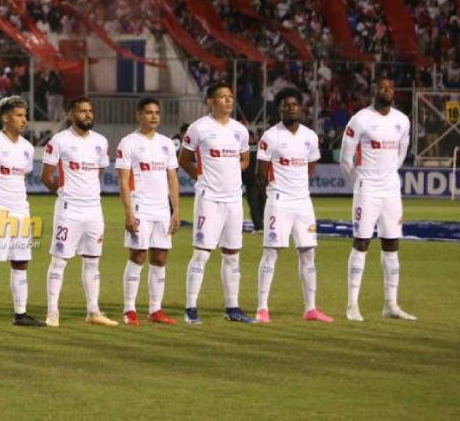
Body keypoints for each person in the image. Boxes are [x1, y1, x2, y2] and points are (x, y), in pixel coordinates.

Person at [178, 81, 255, 324]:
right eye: (222, 97)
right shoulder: (199, 128)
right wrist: (202, 177)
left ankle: (232, 307)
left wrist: (232, 172)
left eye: (230, 96)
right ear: (210, 101)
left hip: (233, 199)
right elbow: (184, 159)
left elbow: (244, 160)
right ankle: (190, 308)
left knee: (232, 254)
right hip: (209, 199)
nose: (228, 100)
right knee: (202, 253)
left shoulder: (240, 130)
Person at [340, 76, 416, 321]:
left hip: (391, 190)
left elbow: (402, 152)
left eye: (391, 86)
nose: (387, 90)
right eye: (382, 87)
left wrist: (388, 175)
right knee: (361, 243)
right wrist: (360, 184)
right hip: (367, 189)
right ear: (373, 91)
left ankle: (390, 304)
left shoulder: (402, 120)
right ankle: (352, 305)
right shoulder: (360, 119)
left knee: (391, 244)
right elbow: (345, 159)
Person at [254, 88, 333, 323]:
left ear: (301, 107)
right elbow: (260, 174)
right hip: (279, 202)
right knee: (270, 253)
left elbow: (310, 166)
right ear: (279, 109)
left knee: (308, 253)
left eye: (294, 104)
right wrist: (273, 192)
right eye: (286, 105)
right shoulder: (270, 136)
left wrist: (299, 188)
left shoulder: (310, 136)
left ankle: (311, 309)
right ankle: (262, 308)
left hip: (303, 202)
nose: (290, 108)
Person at [41, 96, 117, 328]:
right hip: (69, 209)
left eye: (90, 111)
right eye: (83, 111)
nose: (88, 115)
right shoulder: (59, 140)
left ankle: (93, 311)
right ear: (71, 114)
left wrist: (86, 193)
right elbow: (46, 176)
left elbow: (100, 172)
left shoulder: (101, 142)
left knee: (93, 260)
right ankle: (53, 311)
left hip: (94, 209)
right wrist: (65, 193)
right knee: (60, 260)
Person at [0, 96, 44, 328]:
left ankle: (20, 314)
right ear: (6, 117)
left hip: (21, 210)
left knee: (21, 261)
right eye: (19, 115)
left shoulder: (27, 148)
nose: (24, 120)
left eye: (25, 115)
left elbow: (21, 178)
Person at [116, 97, 180, 326]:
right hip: (140, 207)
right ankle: (129, 309)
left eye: (156, 112)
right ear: (139, 115)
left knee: (160, 257)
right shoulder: (128, 143)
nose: (154, 116)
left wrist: (176, 211)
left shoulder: (167, 144)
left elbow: (172, 179)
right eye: (149, 112)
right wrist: (129, 213)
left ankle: (155, 310)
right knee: (138, 256)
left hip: (162, 210)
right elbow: (123, 181)